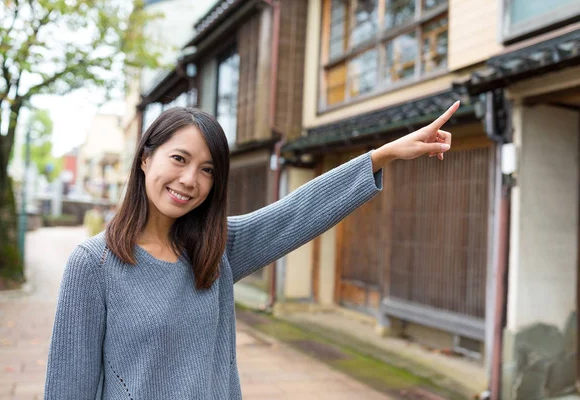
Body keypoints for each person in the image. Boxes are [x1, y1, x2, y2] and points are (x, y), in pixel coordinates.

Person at [44, 103, 457, 399]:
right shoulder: (93, 264)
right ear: (145, 160)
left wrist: (382, 155)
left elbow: (296, 213)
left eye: (207, 170)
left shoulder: (215, 249)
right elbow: (67, 387)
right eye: (179, 159)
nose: (190, 179)